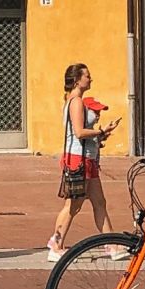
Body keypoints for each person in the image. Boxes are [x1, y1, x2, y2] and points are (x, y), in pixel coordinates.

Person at [46, 62, 119, 262]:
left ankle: (111, 245)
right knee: (73, 205)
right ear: (77, 79)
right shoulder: (76, 102)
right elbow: (79, 132)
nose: (90, 79)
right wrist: (101, 131)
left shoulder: (75, 101)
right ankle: (56, 244)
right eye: (87, 76)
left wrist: (100, 136)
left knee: (99, 202)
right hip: (78, 158)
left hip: (86, 157)